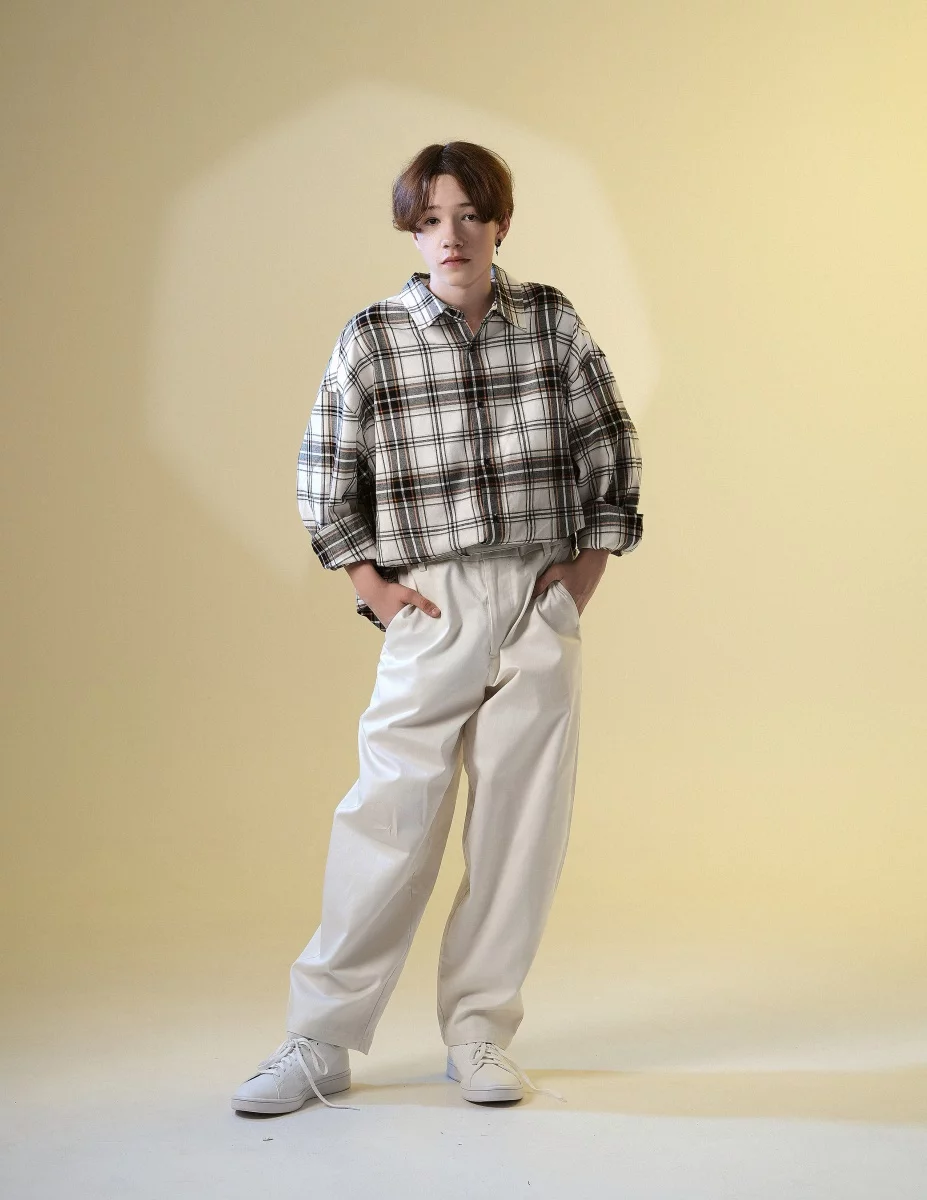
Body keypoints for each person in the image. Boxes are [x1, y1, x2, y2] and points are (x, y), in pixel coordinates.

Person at [231, 141, 643, 1115]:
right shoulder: (374, 337)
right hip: (432, 602)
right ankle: (320, 1041)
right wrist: (374, 589)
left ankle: (479, 1033)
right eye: (429, 220)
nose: (449, 236)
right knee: (389, 818)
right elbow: (326, 470)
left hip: (535, 598)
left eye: (467, 216)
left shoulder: (551, 321)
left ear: (499, 223)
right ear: (411, 232)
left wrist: (578, 581)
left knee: (518, 830)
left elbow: (611, 445)